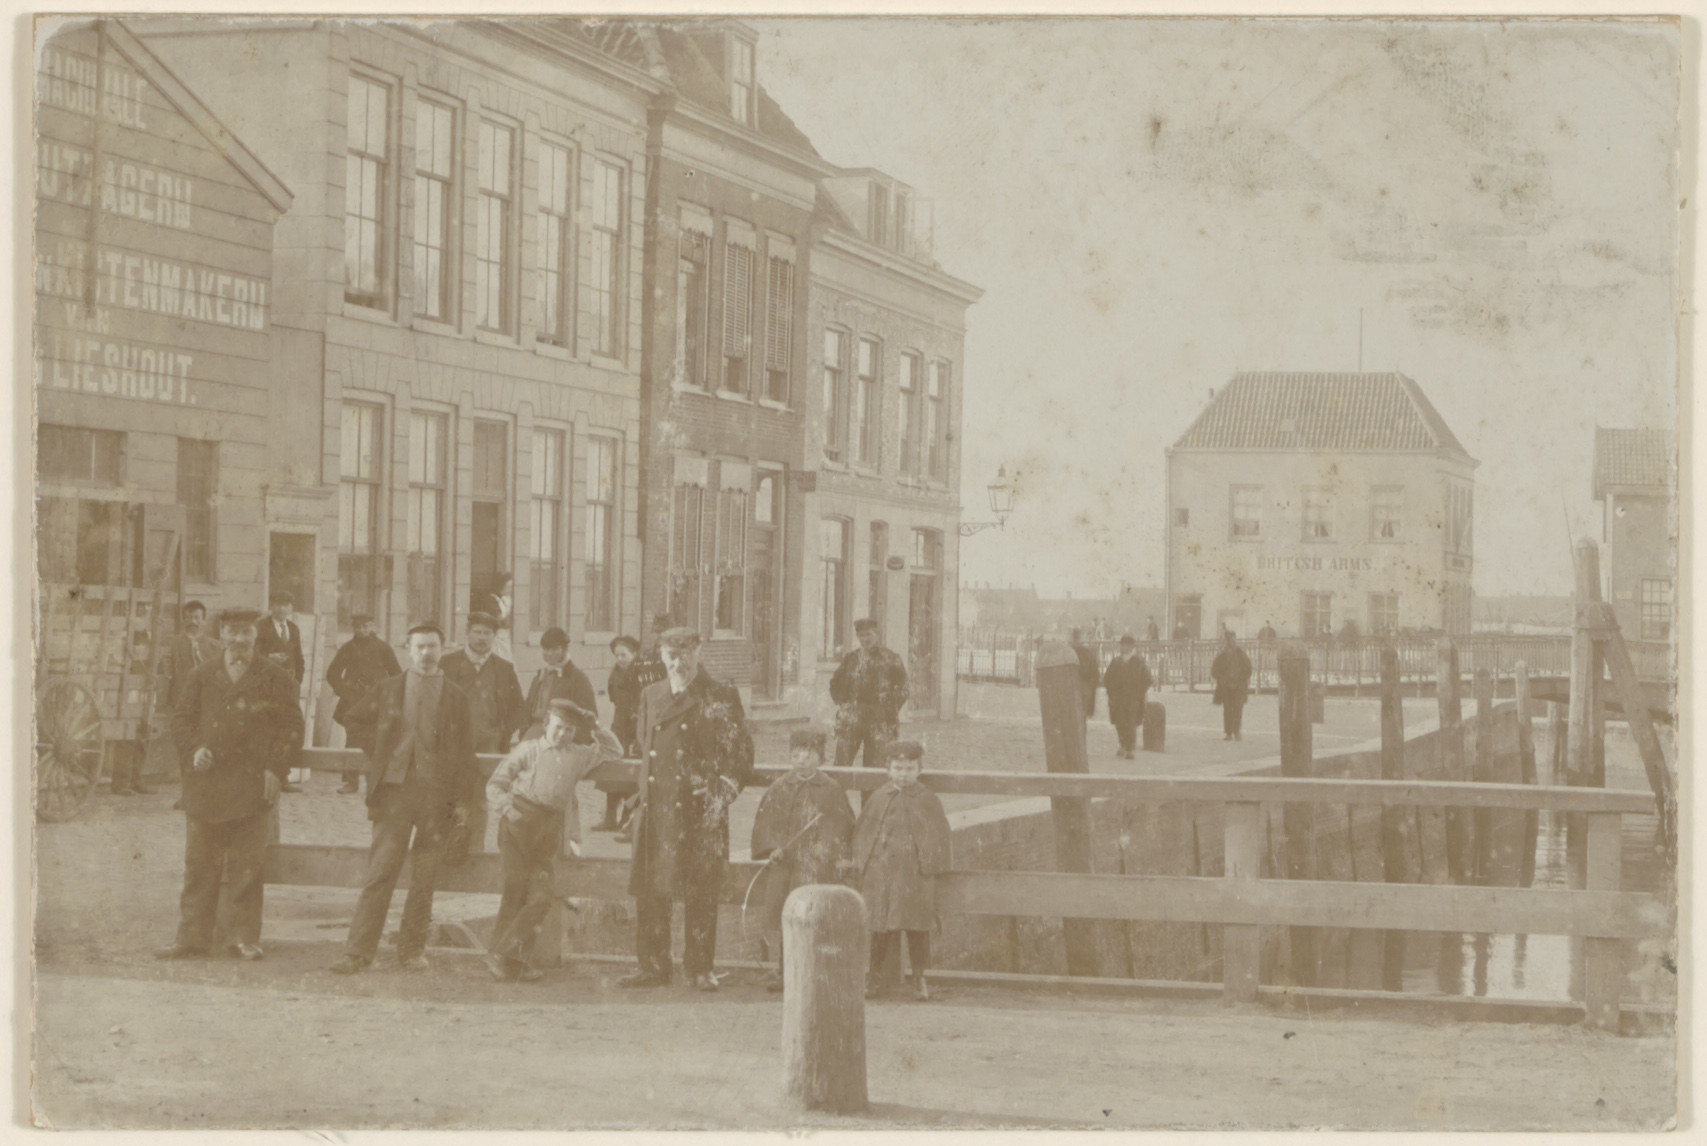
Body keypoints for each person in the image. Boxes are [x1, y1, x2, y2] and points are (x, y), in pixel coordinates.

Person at [330, 623, 482, 974]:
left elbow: (467, 754)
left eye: (432, 646)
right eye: (420, 647)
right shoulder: (388, 688)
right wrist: (381, 750)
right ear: (408, 650)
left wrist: (462, 802)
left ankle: (412, 951)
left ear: (442, 649)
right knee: (381, 871)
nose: (426, 653)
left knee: (425, 876)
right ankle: (358, 952)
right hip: (394, 793)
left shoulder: (456, 697)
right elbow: (353, 719)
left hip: (436, 798)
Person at [155, 608, 303, 961]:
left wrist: (275, 768)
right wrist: (195, 750)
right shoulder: (201, 675)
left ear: (256, 635)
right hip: (207, 786)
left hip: (252, 786)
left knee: (247, 866)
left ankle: (243, 938)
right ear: (221, 634)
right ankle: (191, 938)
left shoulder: (275, 676)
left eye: (246, 632)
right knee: (199, 866)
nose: (238, 639)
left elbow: (292, 727)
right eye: (231, 632)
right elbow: (181, 722)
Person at [622, 627, 754, 992]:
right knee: (651, 890)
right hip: (656, 808)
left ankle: (699, 968)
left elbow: (741, 753)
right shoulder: (651, 694)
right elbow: (643, 744)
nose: (677, 663)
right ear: (661, 656)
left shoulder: (719, 694)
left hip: (700, 810)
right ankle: (652, 966)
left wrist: (721, 790)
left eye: (685, 655)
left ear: (698, 653)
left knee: (701, 890)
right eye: (671, 655)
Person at [483, 699, 623, 982]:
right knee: (515, 889)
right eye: (558, 727)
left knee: (541, 895)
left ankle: (501, 955)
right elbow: (495, 785)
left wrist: (596, 726)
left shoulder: (579, 755)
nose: (562, 734)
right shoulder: (528, 749)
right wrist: (509, 811)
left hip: (547, 830)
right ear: (546, 724)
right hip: (517, 825)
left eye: (569, 730)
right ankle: (512, 963)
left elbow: (614, 751)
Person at [749, 728, 855, 992]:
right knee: (787, 914)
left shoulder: (831, 789)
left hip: (817, 866)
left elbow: (843, 825)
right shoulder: (779, 787)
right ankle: (786, 971)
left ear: (821, 758)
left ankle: (819, 971)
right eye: (796, 755)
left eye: (809, 755)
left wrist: (829, 848)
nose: (802, 760)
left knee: (815, 915)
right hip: (786, 866)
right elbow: (766, 823)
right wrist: (772, 848)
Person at [850, 740, 952, 1001]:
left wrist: (930, 866)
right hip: (882, 875)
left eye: (909, 769)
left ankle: (919, 977)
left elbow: (939, 835)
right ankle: (874, 975)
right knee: (879, 926)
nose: (903, 774)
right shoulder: (878, 797)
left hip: (914, 875)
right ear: (888, 769)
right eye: (897, 768)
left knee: (918, 926)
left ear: (919, 770)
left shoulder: (927, 799)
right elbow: (864, 833)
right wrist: (862, 864)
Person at [441, 611, 526, 855]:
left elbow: (520, 708)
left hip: (488, 747)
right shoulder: (448, 664)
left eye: (487, 633)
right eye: (477, 632)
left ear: (494, 636)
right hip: (453, 745)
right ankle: (447, 853)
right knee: (449, 798)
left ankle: (474, 852)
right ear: (467, 633)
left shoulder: (503, 669)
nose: (482, 638)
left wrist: (502, 732)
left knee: (479, 802)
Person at [325, 614, 401, 795]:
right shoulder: (347, 648)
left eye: (366, 626)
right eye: (358, 627)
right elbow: (332, 674)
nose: (362, 630)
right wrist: (346, 693)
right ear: (353, 628)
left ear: (372, 626)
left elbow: (397, 675)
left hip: (377, 703)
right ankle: (351, 782)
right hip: (353, 703)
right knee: (353, 740)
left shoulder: (383, 648)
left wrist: (386, 695)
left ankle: (375, 782)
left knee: (377, 741)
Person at [829, 618, 909, 786]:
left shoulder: (890, 658)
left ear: (877, 634)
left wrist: (887, 709)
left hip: (879, 722)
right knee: (841, 766)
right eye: (861, 635)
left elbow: (903, 689)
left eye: (868, 635)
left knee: (875, 770)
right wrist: (843, 704)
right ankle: (835, 801)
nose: (864, 639)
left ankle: (870, 802)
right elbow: (835, 683)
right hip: (851, 720)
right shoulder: (851, 659)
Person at [156, 599, 221, 805]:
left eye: (197, 617)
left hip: (208, 707)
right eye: (188, 617)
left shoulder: (215, 647)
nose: (192, 621)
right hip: (182, 707)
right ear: (183, 620)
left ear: (204, 621)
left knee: (208, 749)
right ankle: (187, 796)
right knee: (186, 749)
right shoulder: (173, 645)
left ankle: (208, 796)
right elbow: (166, 673)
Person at [254, 590, 307, 791]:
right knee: (269, 731)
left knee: (290, 730)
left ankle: (283, 776)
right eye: (278, 604)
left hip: (289, 689)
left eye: (286, 605)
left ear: (291, 607)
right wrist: (269, 658)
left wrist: (297, 682)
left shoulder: (293, 628)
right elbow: (252, 655)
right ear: (272, 606)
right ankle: (266, 778)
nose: (282, 609)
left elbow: (299, 658)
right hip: (267, 688)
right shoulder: (260, 627)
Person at [599, 635, 647, 832]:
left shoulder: (641, 673)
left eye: (624, 655)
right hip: (619, 724)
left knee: (630, 774)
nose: (620, 659)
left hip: (635, 727)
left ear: (634, 654)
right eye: (617, 655)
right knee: (612, 771)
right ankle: (610, 818)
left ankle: (627, 819)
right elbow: (613, 696)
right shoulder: (616, 672)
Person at [520, 627, 597, 740]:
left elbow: (588, 718)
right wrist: (524, 732)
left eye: (555, 649)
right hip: (534, 734)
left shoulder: (578, 678)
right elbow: (528, 709)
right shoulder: (540, 676)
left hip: (561, 738)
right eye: (546, 649)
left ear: (565, 649)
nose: (549, 653)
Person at [1103, 636, 1153, 759]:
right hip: (1118, 698)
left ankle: (1130, 749)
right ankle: (1122, 744)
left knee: (1131, 723)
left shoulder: (1138, 662)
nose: (1123, 647)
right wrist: (1112, 692)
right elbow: (1107, 679)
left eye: (1125, 645)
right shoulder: (1116, 662)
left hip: (1133, 699)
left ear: (1131, 647)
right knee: (1119, 723)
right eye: (1122, 645)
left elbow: (1147, 680)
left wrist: (1139, 693)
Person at [1210, 629, 1254, 742]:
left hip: (1239, 686)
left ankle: (1237, 732)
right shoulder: (1221, 656)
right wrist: (1223, 680)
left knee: (1238, 709)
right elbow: (1214, 671)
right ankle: (1229, 733)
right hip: (1226, 687)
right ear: (1225, 641)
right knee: (1227, 710)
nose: (1230, 642)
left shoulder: (1241, 654)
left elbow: (1248, 669)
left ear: (1235, 640)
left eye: (1232, 639)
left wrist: (1240, 679)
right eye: (1228, 640)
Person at [1070, 628, 1099, 717]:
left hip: (1081, 686)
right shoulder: (1085, 652)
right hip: (1077, 686)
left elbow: (1093, 672)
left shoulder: (1085, 653)